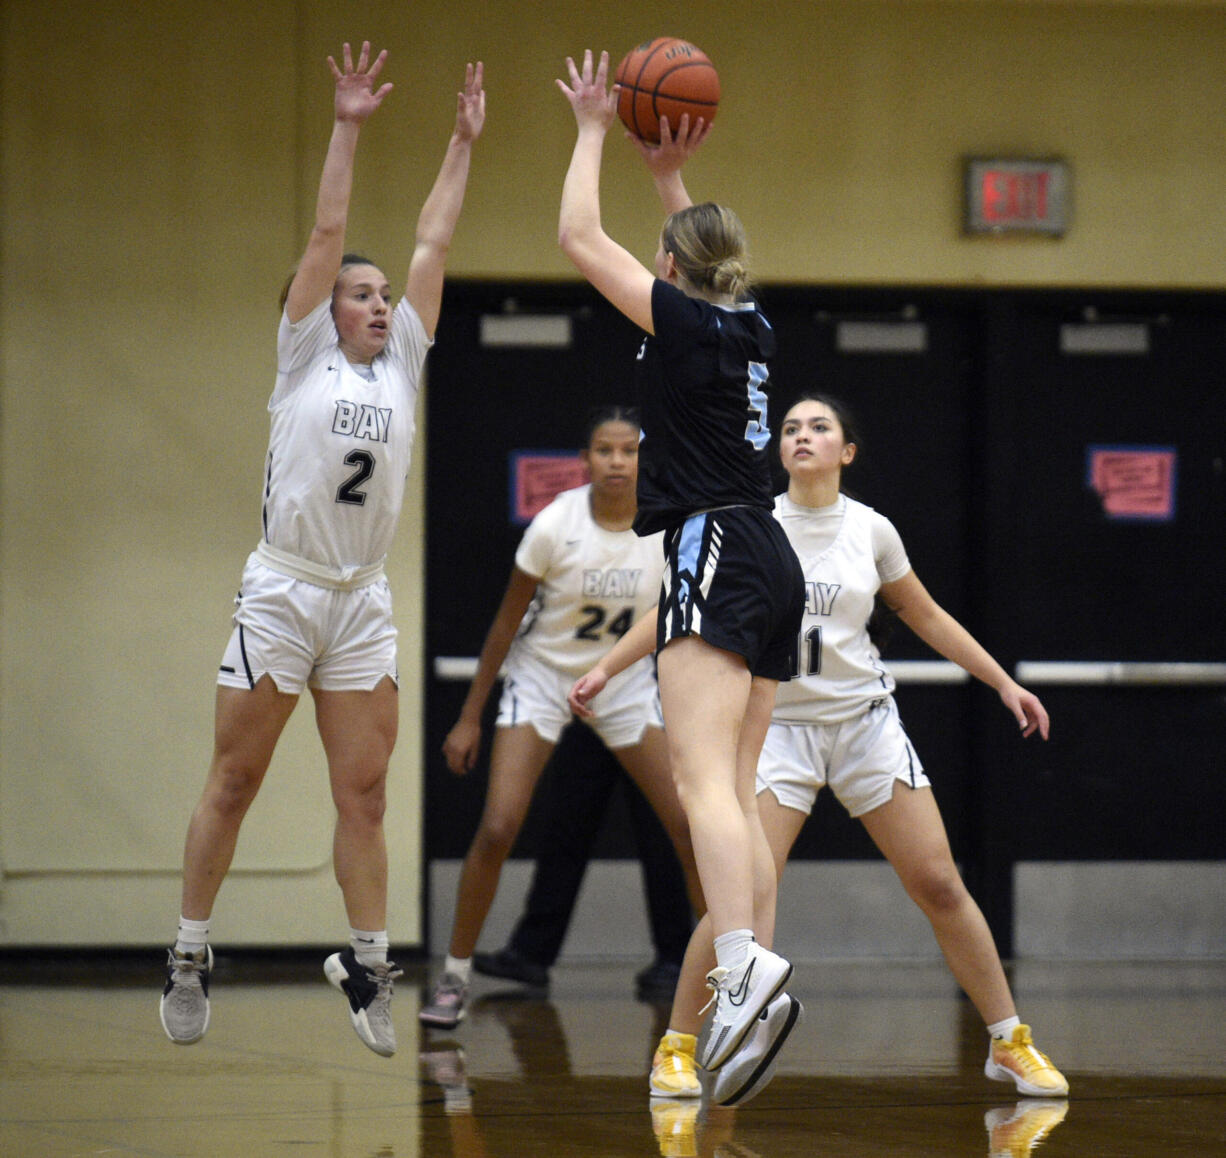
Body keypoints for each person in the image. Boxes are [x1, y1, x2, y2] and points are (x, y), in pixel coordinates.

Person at [158, 42, 484, 1058]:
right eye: (361, 293)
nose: (379, 302)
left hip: (360, 598)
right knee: (235, 781)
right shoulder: (301, 355)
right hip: (285, 591)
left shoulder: (403, 368)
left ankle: (365, 960)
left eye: (384, 295)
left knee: (367, 792)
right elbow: (329, 227)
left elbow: (433, 239)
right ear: (320, 308)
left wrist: (461, 142)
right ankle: (189, 951)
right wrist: (346, 124)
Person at [651, 393, 1070, 1106]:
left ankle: (1009, 1041)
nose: (802, 436)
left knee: (939, 882)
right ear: (777, 450)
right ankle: (677, 1050)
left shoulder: (872, 530)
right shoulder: (752, 525)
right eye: (790, 428)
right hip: (776, 730)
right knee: (743, 895)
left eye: (819, 427)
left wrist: (1003, 682)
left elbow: (926, 613)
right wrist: (605, 667)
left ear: (847, 451)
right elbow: (673, 607)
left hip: (863, 724)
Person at [557, 50, 805, 1078]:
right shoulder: (750, 324)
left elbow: (575, 238)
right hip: (771, 554)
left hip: (710, 537)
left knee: (700, 780)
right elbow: (704, 257)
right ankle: (744, 968)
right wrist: (665, 174)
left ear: (669, 273)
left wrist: (586, 128)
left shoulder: (688, 323)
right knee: (735, 791)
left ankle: (740, 966)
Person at [420, 407, 703, 1029]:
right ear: (586, 460)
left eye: (628, 450)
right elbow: (503, 624)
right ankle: (454, 977)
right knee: (498, 825)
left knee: (689, 825)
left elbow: (679, 625)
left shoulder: (667, 529)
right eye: (605, 450)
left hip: (623, 684)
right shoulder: (555, 524)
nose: (617, 461)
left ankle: (725, 981)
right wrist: (470, 717)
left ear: (642, 459)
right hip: (543, 678)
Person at [473, 717, 695, 1001]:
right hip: (590, 706)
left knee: (663, 832)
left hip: (648, 705)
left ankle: (676, 957)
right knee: (566, 824)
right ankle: (531, 952)